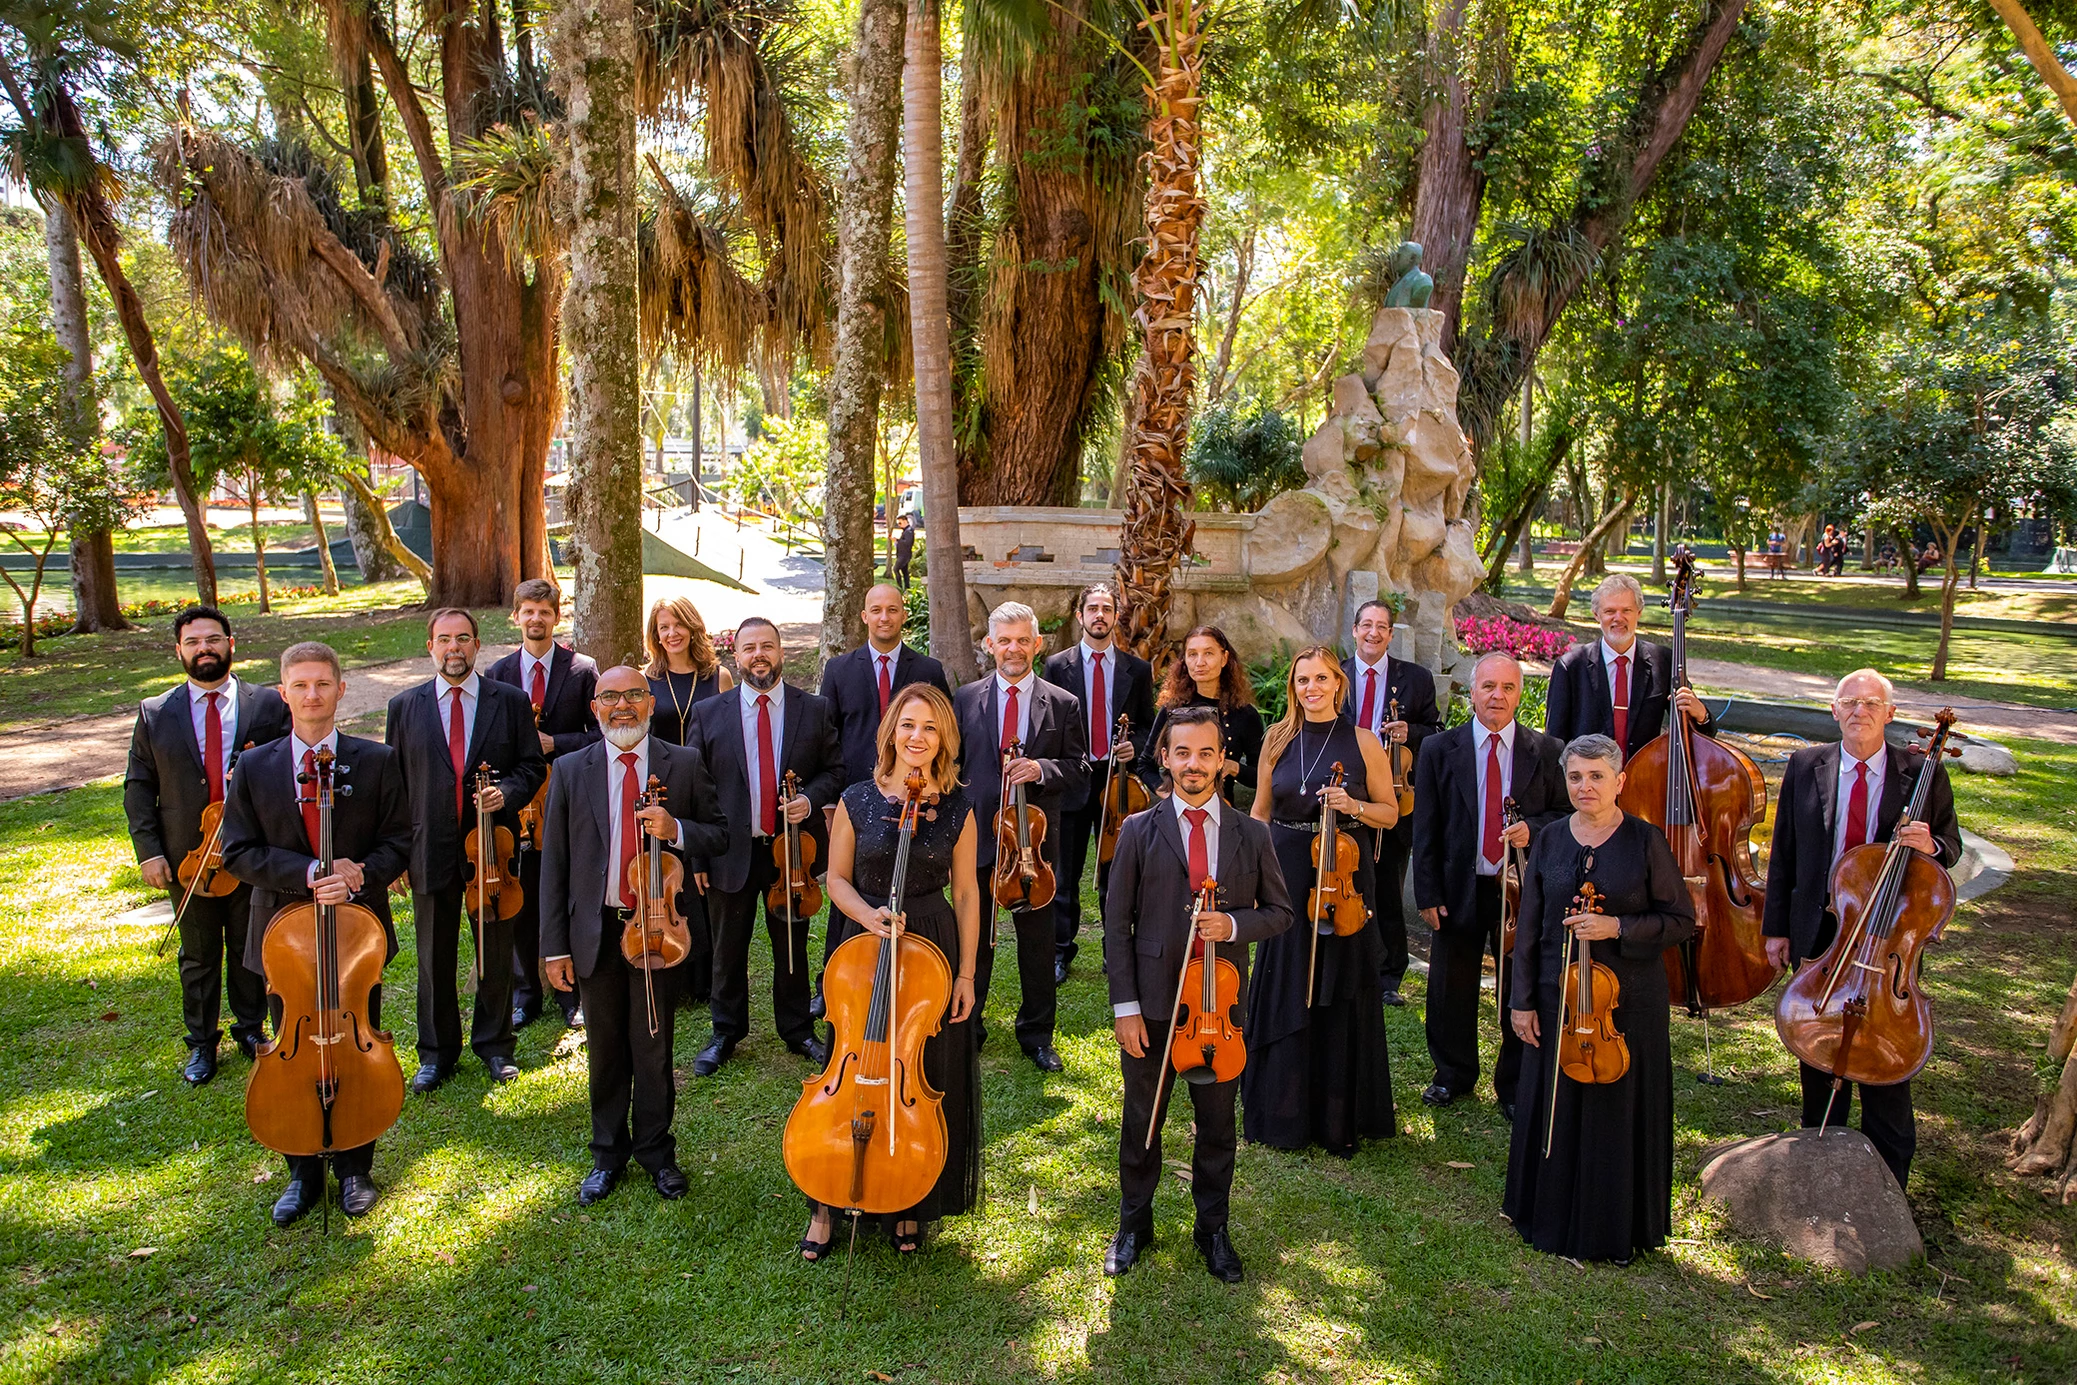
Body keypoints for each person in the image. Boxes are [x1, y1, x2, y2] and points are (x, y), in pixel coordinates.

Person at [221, 641, 412, 1225]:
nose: (311, 695)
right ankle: (301, 1172)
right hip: (286, 942)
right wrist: (307, 873)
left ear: (340, 689)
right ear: (283, 692)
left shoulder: (377, 760)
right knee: (294, 1053)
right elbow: (237, 852)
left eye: (322, 684)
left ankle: (356, 1168)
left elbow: (400, 841)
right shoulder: (255, 767)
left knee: (356, 1048)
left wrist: (359, 873)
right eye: (299, 685)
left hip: (358, 939)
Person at [1104, 707, 1294, 1282]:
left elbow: (1281, 913)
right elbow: (1117, 927)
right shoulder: (1138, 830)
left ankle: (1212, 1229)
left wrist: (1233, 926)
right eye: (1182, 752)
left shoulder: (1251, 833)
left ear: (1221, 760)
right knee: (1143, 1121)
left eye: (1205, 753)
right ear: (1164, 757)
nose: (1194, 764)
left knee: (1216, 1128)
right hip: (1157, 1007)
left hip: (1220, 1011)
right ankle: (1134, 1223)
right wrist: (1126, 1009)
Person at [799, 683, 982, 1260]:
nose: (917, 738)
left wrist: (966, 975)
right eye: (908, 725)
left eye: (929, 728)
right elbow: (835, 880)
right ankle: (826, 1200)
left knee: (922, 1066)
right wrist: (869, 917)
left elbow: (969, 894)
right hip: (863, 938)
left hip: (930, 938)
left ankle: (910, 1202)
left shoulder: (957, 807)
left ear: (944, 738)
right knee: (852, 1061)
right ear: (891, 734)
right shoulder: (856, 798)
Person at [1761, 668, 1961, 1189]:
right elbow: (1784, 853)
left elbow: (1950, 847)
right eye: (1849, 701)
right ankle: (1818, 1150)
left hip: (1889, 938)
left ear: (1890, 714)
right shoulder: (1807, 764)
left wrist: (1930, 847)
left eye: (1872, 703)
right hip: (1824, 931)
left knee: (1883, 1059)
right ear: (1834, 711)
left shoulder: (1922, 772)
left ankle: (1887, 1178)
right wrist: (1776, 928)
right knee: (1818, 1041)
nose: (1860, 711)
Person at [1503, 734, 1697, 1264]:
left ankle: (1615, 1227)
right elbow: (1531, 928)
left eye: (1596, 776)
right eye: (1575, 777)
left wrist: (1616, 925)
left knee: (1617, 1106)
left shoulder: (1644, 841)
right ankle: (1546, 1212)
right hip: (1556, 996)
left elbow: (1682, 920)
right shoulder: (1548, 840)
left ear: (1619, 782)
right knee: (1554, 1101)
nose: (1585, 787)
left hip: (1627, 1002)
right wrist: (1522, 1002)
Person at [539, 666, 728, 1206]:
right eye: (610, 698)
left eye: (633, 696)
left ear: (650, 704)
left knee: (653, 1047)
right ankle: (607, 1155)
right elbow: (555, 863)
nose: (622, 706)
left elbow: (718, 833)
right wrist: (555, 946)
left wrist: (678, 830)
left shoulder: (683, 763)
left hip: (659, 933)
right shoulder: (573, 769)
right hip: (596, 931)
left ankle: (655, 1151)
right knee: (604, 1050)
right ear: (595, 707)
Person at [123, 605, 292, 1086]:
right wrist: (150, 851)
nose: (204, 649)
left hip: (251, 851)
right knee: (197, 954)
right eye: (194, 642)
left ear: (230, 644)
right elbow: (139, 785)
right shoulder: (156, 712)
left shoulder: (268, 704)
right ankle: (201, 1044)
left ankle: (250, 1028)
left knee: (250, 945)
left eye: (213, 639)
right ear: (179, 650)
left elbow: (288, 767)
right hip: (187, 856)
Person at [1243, 647, 1399, 1155]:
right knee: (1289, 978)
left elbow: (1390, 814)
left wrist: (1354, 804)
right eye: (1302, 680)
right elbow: (1262, 814)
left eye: (1321, 679)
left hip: (1345, 873)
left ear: (1338, 683)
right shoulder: (1277, 738)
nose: (1311, 688)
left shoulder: (1363, 741)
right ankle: (1283, 1110)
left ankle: (1337, 1117)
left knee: (1340, 983)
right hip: (1288, 869)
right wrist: (1258, 878)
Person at [384, 608, 547, 1093]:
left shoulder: (510, 700)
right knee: (433, 956)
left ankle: (495, 1047)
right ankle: (436, 1054)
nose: (453, 648)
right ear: (430, 646)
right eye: (444, 640)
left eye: (463, 639)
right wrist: (396, 855)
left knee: (494, 951)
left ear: (477, 645)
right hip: (427, 847)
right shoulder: (404, 706)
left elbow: (531, 767)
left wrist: (508, 794)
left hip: (491, 849)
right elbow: (393, 788)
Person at [682, 617, 844, 1075]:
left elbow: (836, 770)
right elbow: (696, 790)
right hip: (728, 850)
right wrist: (696, 855)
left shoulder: (813, 709)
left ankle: (796, 1030)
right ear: (736, 655)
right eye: (749, 647)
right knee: (726, 948)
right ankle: (725, 1032)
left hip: (790, 853)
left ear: (781, 652)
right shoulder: (709, 713)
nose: (759, 655)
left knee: (791, 946)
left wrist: (810, 799)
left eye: (767, 646)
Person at [1410, 651, 1566, 1116]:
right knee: (1449, 986)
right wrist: (1429, 893)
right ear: (1472, 691)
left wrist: (1532, 830)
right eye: (1488, 687)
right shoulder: (1439, 749)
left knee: (1518, 985)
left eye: (1508, 688)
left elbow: (1563, 816)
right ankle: (1452, 1074)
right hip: (1460, 885)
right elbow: (1426, 828)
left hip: (1519, 892)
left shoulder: (1549, 751)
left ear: (1520, 693)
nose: (1497, 696)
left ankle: (1515, 1083)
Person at [954, 602, 1089, 1070]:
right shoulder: (965, 698)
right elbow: (954, 767)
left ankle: (1036, 1034)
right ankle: (969, 1026)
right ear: (989, 645)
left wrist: (1043, 768)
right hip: (979, 841)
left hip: (1033, 850)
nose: (1014, 649)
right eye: (1004, 640)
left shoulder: (1064, 702)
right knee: (975, 940)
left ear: (1038, 644)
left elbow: (1080, 769)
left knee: (1036, 945)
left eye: (1022, 640)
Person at [486, 579, 600, 1031]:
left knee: (567, 891)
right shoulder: (497, 675)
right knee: (520, 893)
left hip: (566, 799)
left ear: (558, 616)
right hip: (517, 803)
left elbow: (600, 736)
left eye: (545, 611)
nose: (536, 619)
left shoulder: (583, 670)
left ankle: (570, 992)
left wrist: (558, 741)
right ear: (516, 617)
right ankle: (525, 991)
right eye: (527, 611)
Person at [1042, 583, 1154, 985]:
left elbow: (1146, 725)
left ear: (1115, 616)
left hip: (1117, 784)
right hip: (1074, 779)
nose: (1100, 615)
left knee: (1116, 870)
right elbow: (1050, 726)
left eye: (1107, 608)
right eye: (1093, 608)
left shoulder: (1137, 670)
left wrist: (1133, 747)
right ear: (1080, 616)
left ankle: (1116, 949)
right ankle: (1060, 951)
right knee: (1065, 871)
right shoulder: (1057, 666)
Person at [1340, 599, 1442, 1006]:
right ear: (1354, 630)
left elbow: (1435, 729)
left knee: (1387, 886)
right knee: (1347, 879)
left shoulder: (1415, 679)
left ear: (1390, 635)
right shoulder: (1337, 675)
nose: (1373, 633)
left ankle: (1389, 975)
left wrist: (1409, 731)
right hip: (1346, 791)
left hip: (1395, 795)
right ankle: (1350, 963)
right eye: (1367, 625)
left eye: (1382, 627)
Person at [1544, 574, 1710, 764]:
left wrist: (1702, 715)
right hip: (1589, 786)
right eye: (1609, 611)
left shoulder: (1664, 661)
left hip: (1644, 782)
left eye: (1626, 610)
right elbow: (1554, 743)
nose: (1618, 618)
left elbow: (1695, 736)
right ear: (1596, 614)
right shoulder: (1571, 666)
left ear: (1639, 612)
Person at [819, 582, 951, 791]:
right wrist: (828, 800)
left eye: (892, 610)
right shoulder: (838, 670)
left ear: (904, 615)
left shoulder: (929, 670)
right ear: (864, 617)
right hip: (852, 786)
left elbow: (945, 732)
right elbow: (826, 737)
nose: (884, 618)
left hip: (915, 786)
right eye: (876, 610)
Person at [1138, 625, 1264, 807]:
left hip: (1223, 812)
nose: (1200, 662)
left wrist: (1234, 767)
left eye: (1208, 653)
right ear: (1185, 661)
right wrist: (1169, 796)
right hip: (1177, 815)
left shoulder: (1244, 713)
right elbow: (1145, 765)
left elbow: (1261, 777)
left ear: (1224, 658)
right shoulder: (1172, 709)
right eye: (1192, 654)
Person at [644, 597, 734, 747]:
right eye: (664, 627)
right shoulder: (644, 680)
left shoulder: (720, 677)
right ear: (657, 635)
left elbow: (731, 734)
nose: (672, 633)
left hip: (708, 769)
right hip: (661, 769)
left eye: (679, 624)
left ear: (692, 628)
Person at [892, 513, 917, 591]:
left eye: (900, 523)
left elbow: (907, 543)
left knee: (896, 569)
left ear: (905, 521)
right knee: (904, 572)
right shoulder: (906, 531)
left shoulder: (909, 531)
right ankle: (907, 587)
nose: (899, 525)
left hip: (904, 555)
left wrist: (897, 540)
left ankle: (900, 587)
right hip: (903, 555)